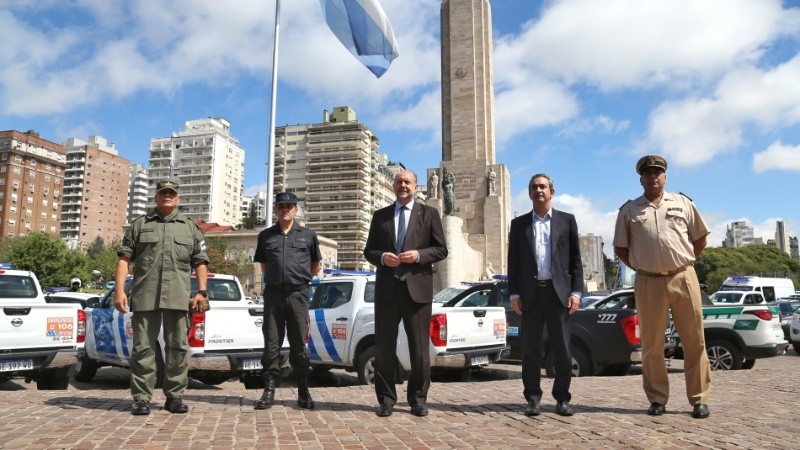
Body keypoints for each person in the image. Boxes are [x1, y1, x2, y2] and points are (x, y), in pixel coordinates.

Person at [613, 154, 712, 419]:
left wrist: (684, 260)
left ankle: (699, 399)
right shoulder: (629, 210)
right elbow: (620, 248)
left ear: (665, 177)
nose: (653, 176)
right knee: (652, 344)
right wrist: (641, 266)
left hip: (683, 276)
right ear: (641, 178)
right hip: (647, 281)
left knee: (694, 341)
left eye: (658, 172)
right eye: (648, 173)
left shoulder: (683, 203)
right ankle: (657, 398)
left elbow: (700, 238)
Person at [114, 179, 209, 416]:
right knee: (143, 349)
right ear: (156, 197)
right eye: (163, 193)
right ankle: (141, 399)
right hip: (145, 296)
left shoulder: (190, 227)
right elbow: (124, 259)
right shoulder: (139, 225)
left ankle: (175, 397)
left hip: (178, 297)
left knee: (177, 348)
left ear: (178, 198)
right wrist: (119, 291)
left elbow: (201, 262)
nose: (167, 196)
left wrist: (201, 291)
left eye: (172, 193)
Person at [364, 170, 448, 418]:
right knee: (384, 349)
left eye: (407, 182)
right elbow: (369, 251)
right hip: (387, 291)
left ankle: (418, 399)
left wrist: (419, 256)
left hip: (417, 291)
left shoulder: (429, 213)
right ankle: (386, 399)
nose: (403, 185)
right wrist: (381, 257)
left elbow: (442, 249)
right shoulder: (380, 216)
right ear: (393, 186)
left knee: (420, 349)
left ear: (415, 186)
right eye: (399, 182)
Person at [507, 173, 583, 417]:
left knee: (562, 349)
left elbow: (575, 261)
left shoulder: (567, 221)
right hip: (530, 295)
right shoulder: (519, 225)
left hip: (557, 294)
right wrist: (513, 294)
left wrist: (577, 292)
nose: (539, 190)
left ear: (552, 191)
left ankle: (562, 398)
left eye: (543, 187)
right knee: (530, 350)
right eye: (534, 187)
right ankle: (532, 399)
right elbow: (513, 263)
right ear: (529, 193)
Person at [253, 192, 321, 410]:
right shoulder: (265, 236)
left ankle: (303, 391)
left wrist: (298, 280)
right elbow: (263, 266)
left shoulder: (308, 235)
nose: (285, 210)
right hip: (273, 295)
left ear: (296, 210)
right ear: (276, 210)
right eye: (281, 206)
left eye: (289, 206)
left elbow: (315, 265)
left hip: (298, 295)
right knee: (271, 343)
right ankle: (269, 390)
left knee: (299, 344)